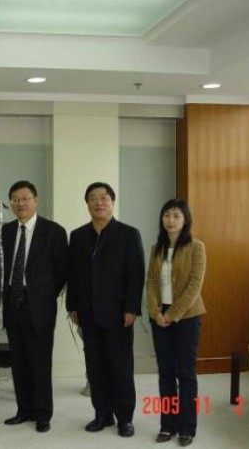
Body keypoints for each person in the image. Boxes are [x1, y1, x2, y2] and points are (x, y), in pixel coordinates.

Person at [66, 182, 145, 438]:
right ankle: (102, 414)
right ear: (87, 204)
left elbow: (136, 274)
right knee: (95, 366)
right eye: (93, 198)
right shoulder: (78, 236)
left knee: (121, 367)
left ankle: (125, 418)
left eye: (104, 198)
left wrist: (131, 308)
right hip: (87, 312)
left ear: (112, 202)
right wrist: (72, 305)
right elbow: (73, 274)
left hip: (118, 314)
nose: (99, 202)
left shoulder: (128, 234)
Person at [1, 180, 68, 433]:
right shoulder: (8, 230)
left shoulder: (53, 231)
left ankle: (43, 414)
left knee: (40, 362)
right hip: (13, 302)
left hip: (39, 305)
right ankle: (24, 410)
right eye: (15, 199)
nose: (20, 203)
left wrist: (44, 294)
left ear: (36, 200)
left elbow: (62, 270)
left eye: (25, 198)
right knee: (18, 361)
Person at [146, 199, 206, 447]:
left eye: (176, 216)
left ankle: (187, 427)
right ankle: (167, 425)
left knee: (186, 373)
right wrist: (155, 311)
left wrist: (172, 315)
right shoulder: (156, 248)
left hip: (187, 317)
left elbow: (194, 286)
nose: (170, 220)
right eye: (167, 215)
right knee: (166, 373)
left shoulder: (196, 247)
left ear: (185, 220)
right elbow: (151, 282)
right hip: (160, 316)